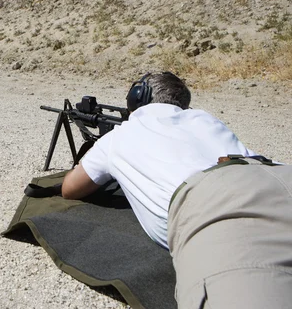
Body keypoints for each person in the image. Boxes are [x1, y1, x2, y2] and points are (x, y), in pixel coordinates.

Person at [62, 71, 292, 309]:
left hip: (215, 205)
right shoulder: (204, 119)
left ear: (136, 97)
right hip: (278, 175)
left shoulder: (120, 135)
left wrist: (101, 153)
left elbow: (70, 188)